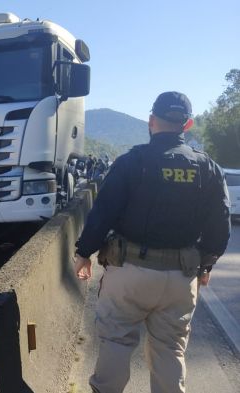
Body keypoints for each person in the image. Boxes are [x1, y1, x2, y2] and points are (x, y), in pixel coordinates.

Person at [73, 91, 231, 393]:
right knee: (171, 349)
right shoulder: (207, 168)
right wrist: (206, 264)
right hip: (181, 279)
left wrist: (83, 253)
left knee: (116, 342)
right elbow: (220, 226)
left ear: (151, 121)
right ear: (188, 125)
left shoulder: (131, 162)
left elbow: (102, 213)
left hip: (130, 273)